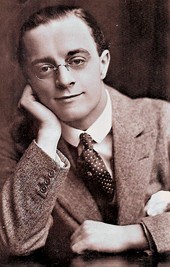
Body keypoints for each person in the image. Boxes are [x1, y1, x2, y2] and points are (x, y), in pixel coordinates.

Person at [0, 4, 170, 261]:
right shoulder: (14, 144)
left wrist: (135, 234)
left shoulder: (162, 119)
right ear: (30, 82)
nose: (64, 79)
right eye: (45, 69)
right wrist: (47, 136)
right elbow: (17, 241)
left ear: (102, 64)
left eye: (77, 61)